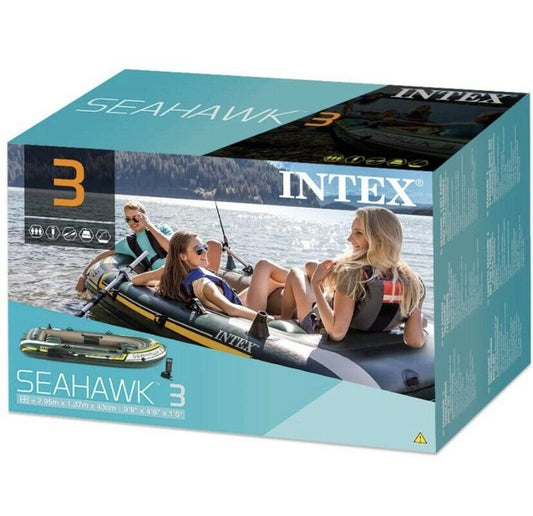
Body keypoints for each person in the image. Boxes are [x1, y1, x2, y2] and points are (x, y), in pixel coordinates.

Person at [279, 207, 427, 348]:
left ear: (378, 237)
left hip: (318, 329)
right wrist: (420, 321)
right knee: (309, 269)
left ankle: (283, 321)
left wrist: (316, 284)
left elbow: (336, 333)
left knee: (295, 274)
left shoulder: (352, 273)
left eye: (358, 233)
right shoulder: (413, 282)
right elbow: (415, 341)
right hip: (369, 337)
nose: (349, 238)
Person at [134, 231, 287, 322]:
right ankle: (297, 294)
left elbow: (136, 280)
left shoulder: (171, 274)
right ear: (183, 256)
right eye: (199, 250)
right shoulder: (205, 284)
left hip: (236, 300)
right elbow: (231, 309)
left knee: (272, 282)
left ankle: (293, 298)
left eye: (205, 247)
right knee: (264, 266)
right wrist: (270, 320)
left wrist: (162, 272)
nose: (205, 252)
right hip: (246, 310)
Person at [75, 200, 176, 292]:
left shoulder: (163, 228)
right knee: (136, 280)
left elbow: (172, 249)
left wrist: (149, 225)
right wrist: (83, 275)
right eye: (128, 219)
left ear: (144, 216)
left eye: (136, 218)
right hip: (160, 276)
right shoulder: (128, 242)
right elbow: (101, 256)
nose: (132, 222)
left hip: (175, 267)